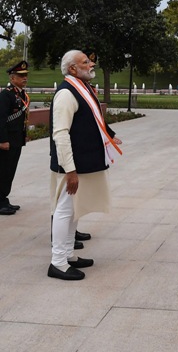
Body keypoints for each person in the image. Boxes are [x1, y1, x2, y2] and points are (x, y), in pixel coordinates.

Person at [49, 50, 122, 280]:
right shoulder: (66, 94)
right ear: (72, 69)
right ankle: (58, 262)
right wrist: (70, 170)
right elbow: (60, 134)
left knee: (74, 211)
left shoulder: (82, 89)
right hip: (72, 166)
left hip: (83, 163)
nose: (91, 64)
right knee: (64, 211)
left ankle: (68, 254)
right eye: (85, 62)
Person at [0, 60, 30, 215]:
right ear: (12, 78)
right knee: (3, 171)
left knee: (10, 171)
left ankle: (3, 199)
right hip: (7, 142)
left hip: (16, 141)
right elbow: (1, 119)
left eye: (25, 75)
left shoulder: (21, 94)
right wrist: (2, 140)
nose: (24, 78)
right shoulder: (6, 95)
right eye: (20, 75)